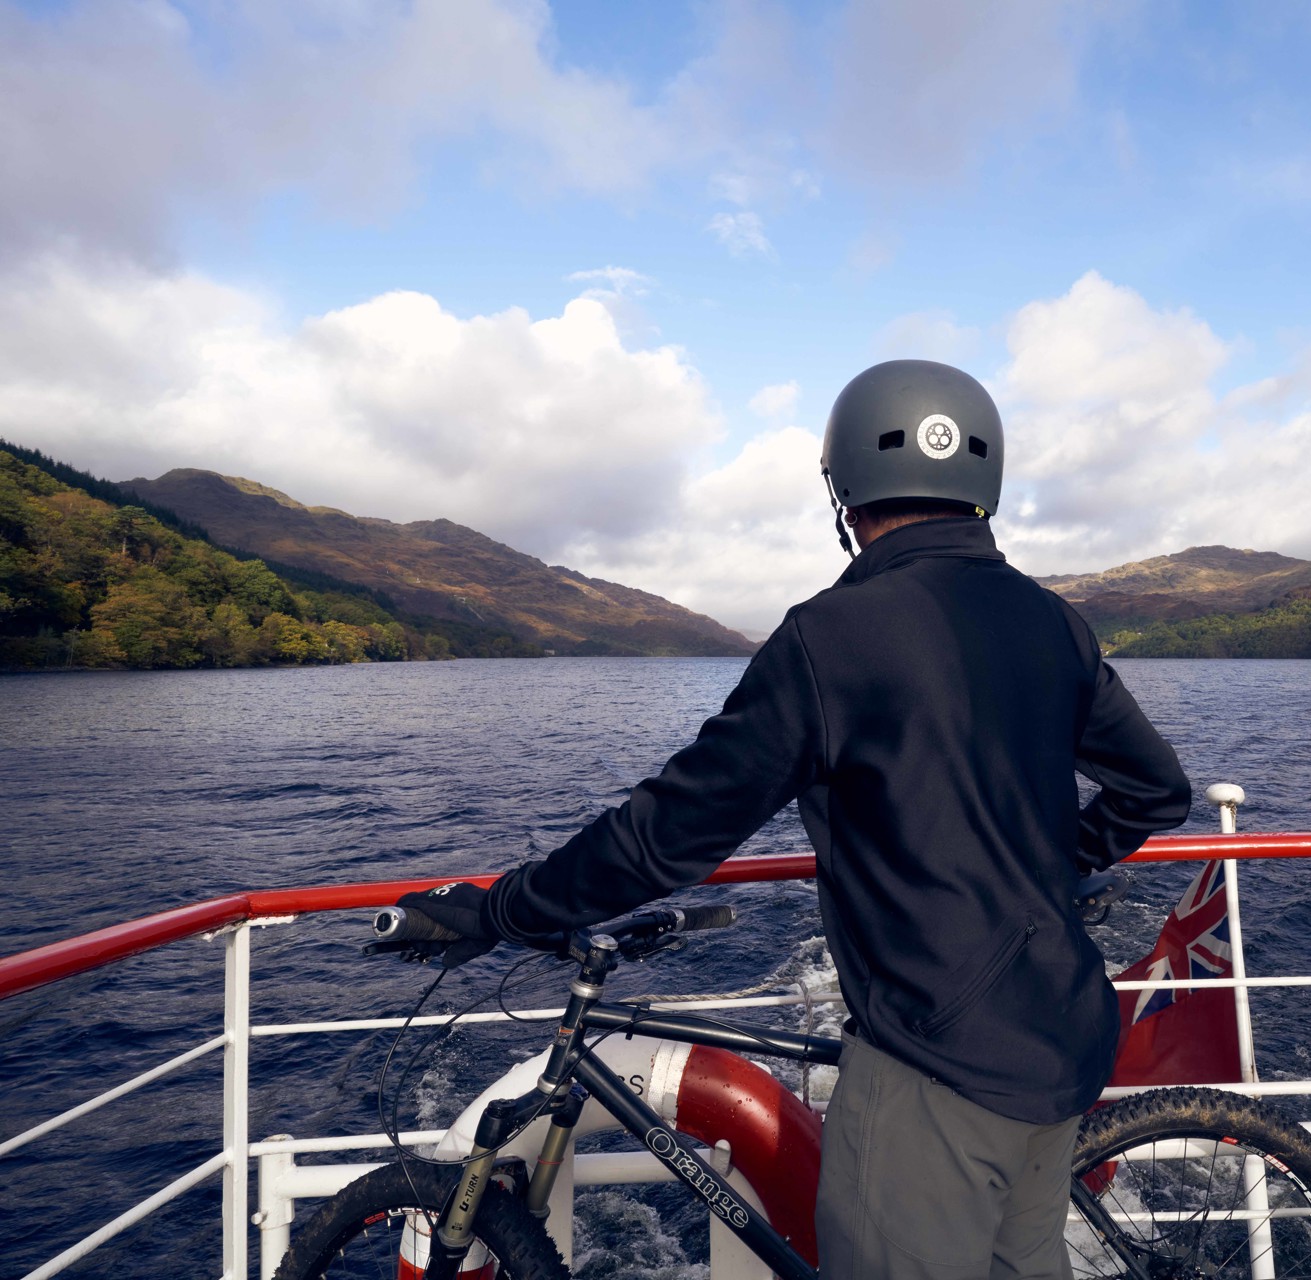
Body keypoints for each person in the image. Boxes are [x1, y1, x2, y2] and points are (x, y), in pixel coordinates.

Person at [400, 358, 1192, 1279]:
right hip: (1060, 1041)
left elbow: (670, 833)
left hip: (934, 1067)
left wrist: (504, 909)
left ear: (844, 485)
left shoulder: (833, 636)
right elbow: (1154, 790)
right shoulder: (1055, 622)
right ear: (986, 480)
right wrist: (1051, 867)